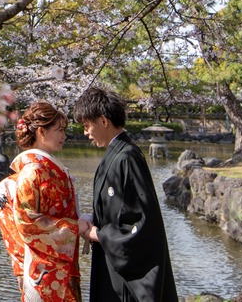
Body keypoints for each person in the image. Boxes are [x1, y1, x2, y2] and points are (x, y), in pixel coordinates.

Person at [74, 87, 179, 302]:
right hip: (111, 263)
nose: (85, 133)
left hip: (125, 276)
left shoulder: (126, 157)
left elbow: (141, 222)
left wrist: (96, 234)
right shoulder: (118, 154)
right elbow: (117, 209)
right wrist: (92, 218)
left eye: (87, 126)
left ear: (103, 121)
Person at [0, 101, 84, 302]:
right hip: (44, 269)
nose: (64, 136)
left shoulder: (42, 169)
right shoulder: (33, 172)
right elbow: (28, 223)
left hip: (56, 265)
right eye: (59, 130)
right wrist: (75, 227)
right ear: (41, 132)